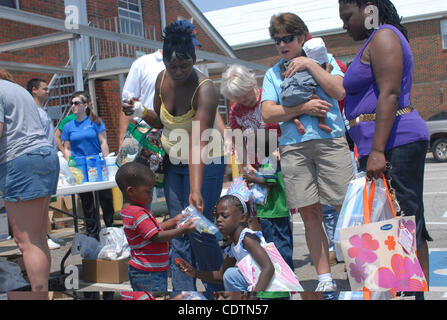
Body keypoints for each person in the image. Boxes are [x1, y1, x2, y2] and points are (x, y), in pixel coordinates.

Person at [122, 21, 226, 295]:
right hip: (174, 163)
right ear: (164, 61)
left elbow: (198, 142)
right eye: (173, 66)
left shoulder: (205, 89)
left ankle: (220, 291)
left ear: (194, 59)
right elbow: (160, 122)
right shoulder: (160, 79)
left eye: (185, 65)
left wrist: (195, 190)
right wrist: (139, 111)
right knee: (180, 230)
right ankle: (184, 294)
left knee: (199, 231)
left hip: (205, 161)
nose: (179, 72)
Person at [339, 0, 432, 299]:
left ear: (368, 10)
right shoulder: (374, 39)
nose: (343, 25)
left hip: (396, 142)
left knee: (403, 226)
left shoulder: (384, 36)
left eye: (346, 16)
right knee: (392, 226)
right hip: (380, 144)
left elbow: (390, 92)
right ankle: (400, 293)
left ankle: (410, 295)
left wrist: (377, 151)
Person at [261, 12, 355, 294]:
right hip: (293, 149)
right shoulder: (273, 73)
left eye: (288, 38)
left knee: (346, 211)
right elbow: (267, 113)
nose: (282, 44)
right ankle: (324, 276)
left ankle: (359, 269)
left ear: (302, 37)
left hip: (331, 143)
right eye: (277, 40)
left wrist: (310, 66)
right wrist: (302, 109)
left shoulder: (325, 60)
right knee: (310, 214)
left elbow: (338, 91)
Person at [0, 68, 59, 297]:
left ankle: (37, 295)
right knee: (38, 237)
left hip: (21, 161)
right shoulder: (16, 89)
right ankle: (40, 293)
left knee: (27, 242)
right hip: (43, 157)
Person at [176, 178, 275, 292]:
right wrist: (195, 273)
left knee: (231, 275)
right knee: (229, 275)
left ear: (242, 217)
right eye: (217, 216)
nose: (218, 220)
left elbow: (268, 268)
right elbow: (221, 275)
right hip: (262, 288)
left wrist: (254, 296)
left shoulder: (247, 238)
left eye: (224, 216)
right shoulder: (234, 245)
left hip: (273, 290)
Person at [115, 161, 196, 291]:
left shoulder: (130, 211)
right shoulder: (138, 213)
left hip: (145, 270)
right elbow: (156, 236)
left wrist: (173, 221)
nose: (151, 196)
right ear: (131, 191)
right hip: (150, 272)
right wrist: (182, 230)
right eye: (148, 191)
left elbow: (150, 229)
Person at [242, 127, 293, 300]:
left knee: (280, 248)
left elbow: (269, 182)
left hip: (275, 212)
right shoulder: (268, 160)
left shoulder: (271, 159)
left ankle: (286, 279)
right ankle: (280, 278)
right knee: (274, 247)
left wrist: (252, 178)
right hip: (270, 212)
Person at [61, 91, 115, 238]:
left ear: (85, 106)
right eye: (71, 103)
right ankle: (93, 232)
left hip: (97, 163)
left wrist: (105, 160)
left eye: (76, 103)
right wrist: (70, 163)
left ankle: (110, 227)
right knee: (87, 200)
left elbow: (103, 142)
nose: (73, 106)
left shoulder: (95, 122)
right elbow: (67, 147)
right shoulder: (68, 126)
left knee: (105, 196)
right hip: (80, 166)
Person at [220, 64, 279, 172]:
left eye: (244, 93)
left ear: (250, 85)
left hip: (281, 157)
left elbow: (287, 126)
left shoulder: (269, 97)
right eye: (237, 96)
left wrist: (282, 149)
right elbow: (239, 142)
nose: (242, 99)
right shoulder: (235, 111)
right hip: (258, 165)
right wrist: (247, 164)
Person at [27, 78, 61, 250]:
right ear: (34, 90)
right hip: (40, 159)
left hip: (49, 159)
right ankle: (41, 236)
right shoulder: (32, 111)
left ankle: (45, 234)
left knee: (46, 201)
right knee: (39, 201)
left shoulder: (43, 111)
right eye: (44, 88)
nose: (48, 91)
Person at [281, 37, 334, 135]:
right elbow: (321, 82)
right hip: (304, 94)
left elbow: (283, 75)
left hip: (286, 96)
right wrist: (328, 70)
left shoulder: (293, 63)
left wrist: (285, 74)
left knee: (289, 110)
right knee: (319, 103)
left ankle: (295, 120)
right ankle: (321, 122)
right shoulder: (314, 68)